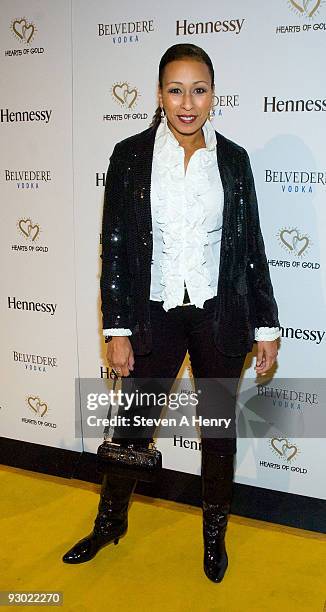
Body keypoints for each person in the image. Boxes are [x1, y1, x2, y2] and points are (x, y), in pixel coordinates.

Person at [63, 43, 280, 583]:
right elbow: (113, 246)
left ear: (213, 95)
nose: (188, 102)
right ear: (159, 95)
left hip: (217, 316)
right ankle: (110, 521)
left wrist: (266, 323)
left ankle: (214, 538)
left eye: (198, 89)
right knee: (131, 427)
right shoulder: (129, 156)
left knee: (218, 430)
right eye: (176, 90)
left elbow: (249, 246)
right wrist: (115, 327)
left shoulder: (233, 160)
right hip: (152, 316)